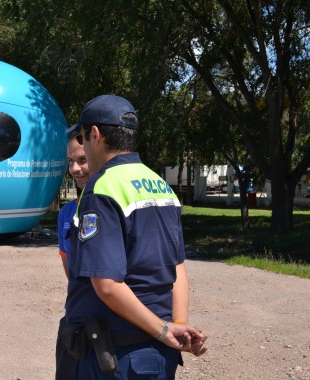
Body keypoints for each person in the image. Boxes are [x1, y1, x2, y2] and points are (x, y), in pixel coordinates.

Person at [63, 95, 207, 379]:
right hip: (158, 352)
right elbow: (177, 268)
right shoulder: (161, 186)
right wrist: (176, 325)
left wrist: (166, 331)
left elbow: (106, 284)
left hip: (116, 355)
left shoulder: (102, 187)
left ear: (95, 134)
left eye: (82, 135)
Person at [55, 130, 92, 380]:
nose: (76, 169)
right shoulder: (66, 214)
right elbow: (70, 271)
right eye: (70, 162)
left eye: (82, 160)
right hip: (76, 319)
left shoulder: (113, 206)